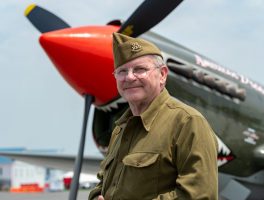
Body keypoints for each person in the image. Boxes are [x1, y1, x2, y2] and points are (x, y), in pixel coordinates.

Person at [89, 32, 218, 200]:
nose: (129, 77)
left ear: (162, 74)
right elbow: (104, 183)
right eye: (121, 71)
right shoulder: (120, 129)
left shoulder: (187, 122)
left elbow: (200, 195)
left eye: (140, 69)